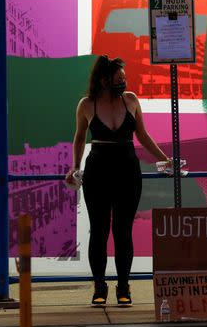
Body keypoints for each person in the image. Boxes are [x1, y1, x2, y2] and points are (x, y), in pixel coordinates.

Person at [65, 55, 169, 307]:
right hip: (97, 172)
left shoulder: (131, 100)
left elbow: (142, 136)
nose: (124, 82)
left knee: (123, 232)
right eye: (119, 79)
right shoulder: (87, 105)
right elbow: (79, 139)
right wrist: (75, 167)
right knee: (98, 231)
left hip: (127, 171)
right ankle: (99, 287)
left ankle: (124, 286)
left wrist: (166, 159)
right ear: (103, 80)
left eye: (124, 78)